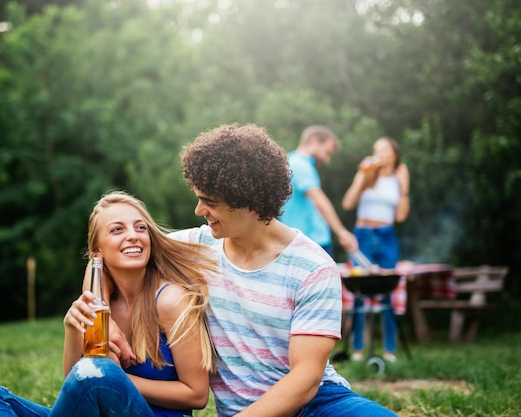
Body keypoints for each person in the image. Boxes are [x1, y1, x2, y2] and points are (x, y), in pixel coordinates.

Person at [167, 123, 396, 416]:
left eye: (210, 202)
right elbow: (124, 248)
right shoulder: (198, 246)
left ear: (249, 203)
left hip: (318, 404)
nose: (199, 211)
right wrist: (96, 299)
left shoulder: (312, 267)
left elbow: (306, 379)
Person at [0, 190, 219, 417]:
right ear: (97, 252)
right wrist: (72, 329)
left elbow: (196, 395)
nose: (133, 235)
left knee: (99, 373)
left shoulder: (170, 299)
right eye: (117, 229)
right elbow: (75, 388)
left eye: (141, 228)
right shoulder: (98, 304)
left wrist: (117, 379)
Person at [341, 137, 410, 363]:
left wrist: (404, 189)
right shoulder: (368, 174)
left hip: (387, 236)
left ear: (394, 154)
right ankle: (358, 350)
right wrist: (361, 175)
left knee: (388, 290)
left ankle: (390, 350)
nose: (378, 153)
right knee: (360, 290)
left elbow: (400, 216)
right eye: (375, 149)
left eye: (383, 149)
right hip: (363, 235)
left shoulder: (400, 175)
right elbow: (348, 203)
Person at [280, 125, 358, 257]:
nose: (327, 159)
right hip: (311, 241)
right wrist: (341, 232)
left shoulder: (290, 161)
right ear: (314, 141)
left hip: (298, 240)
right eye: (327, 152)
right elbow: (319, 200)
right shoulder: (300, 164)